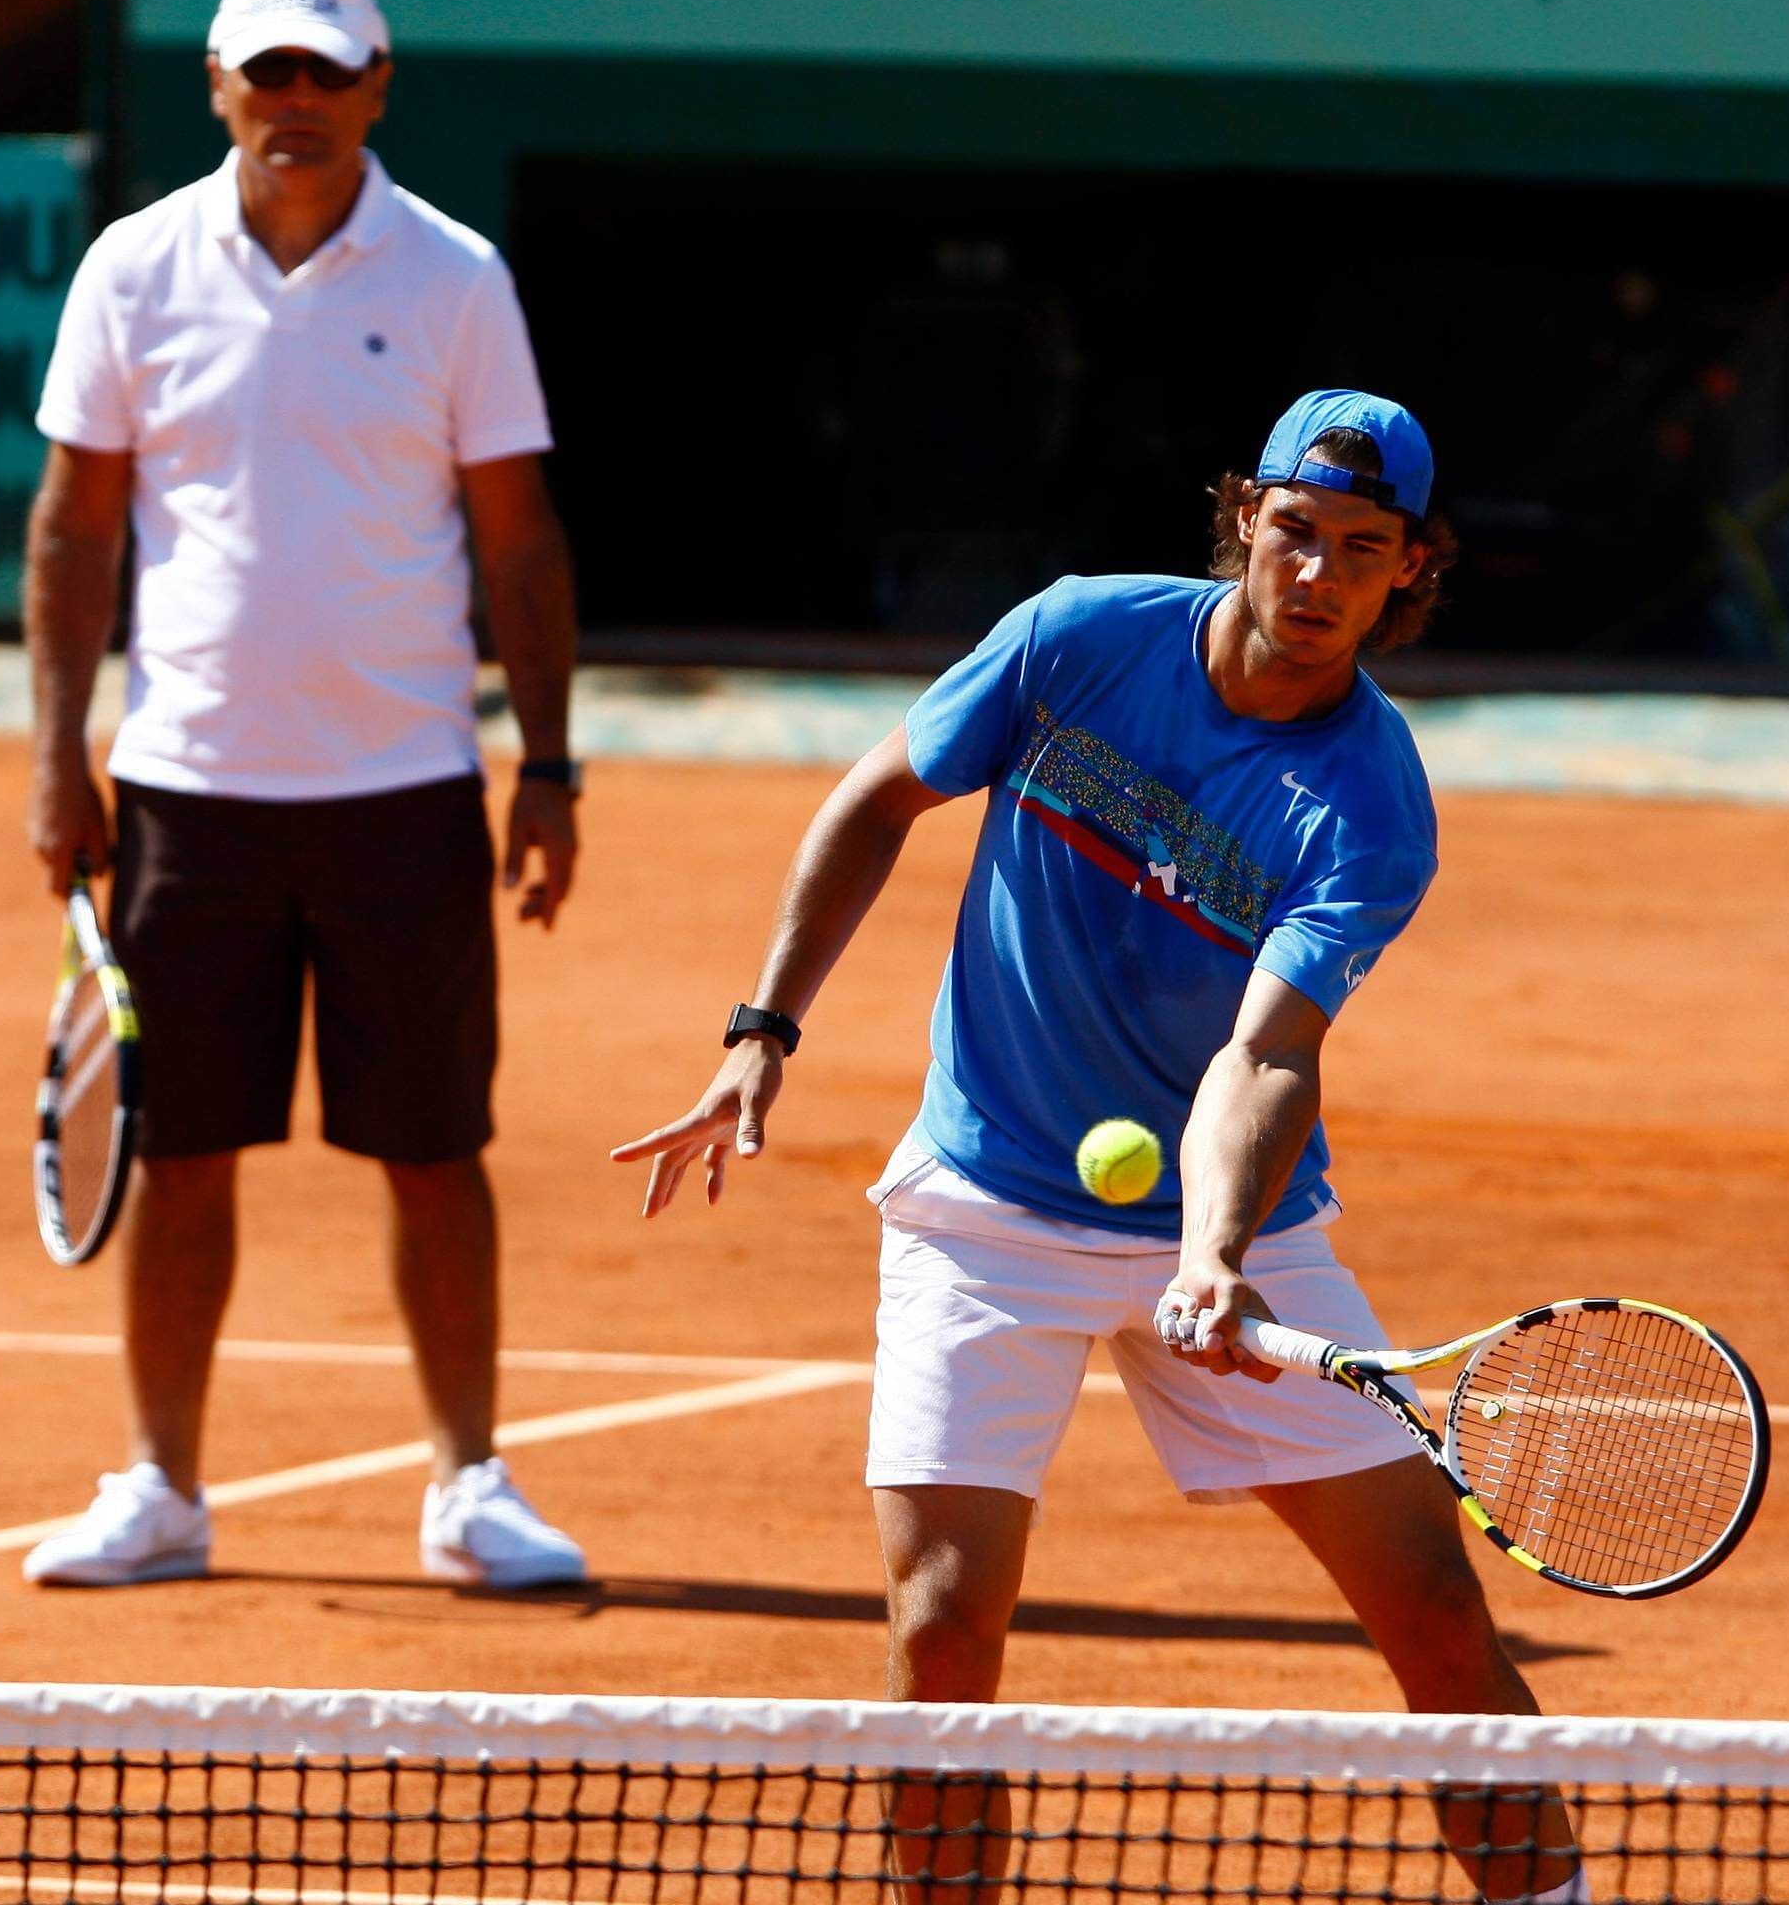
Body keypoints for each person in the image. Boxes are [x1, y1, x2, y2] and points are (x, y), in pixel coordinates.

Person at [614, 390, 1583, 1902]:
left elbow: (1265, 1054)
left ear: (1410, 570)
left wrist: (1212, 1257)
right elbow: (881, 797)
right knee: (941, 1635)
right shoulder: (1079, 637)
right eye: (1297, 534)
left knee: (1440, 1622)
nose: (1319, 576)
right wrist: (763, 1030)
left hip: (1236, 1236)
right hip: (982, 1210)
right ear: (1244, 523)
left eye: (1363, 549)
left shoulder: (1369, 804)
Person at [18, 0, 587, 1592]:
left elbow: (520, 539)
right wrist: (60, 759)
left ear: (377, 88)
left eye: (327, 74)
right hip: (187, 792)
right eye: (267, 73)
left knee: (434, 1153)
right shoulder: (131, 269)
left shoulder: (457, 277)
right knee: (179, 1152)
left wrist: (545, 768)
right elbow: (75, 528)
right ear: (219, 88)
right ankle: (162, 1488)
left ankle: (470, 1483)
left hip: (406, 790)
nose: (296, 103)